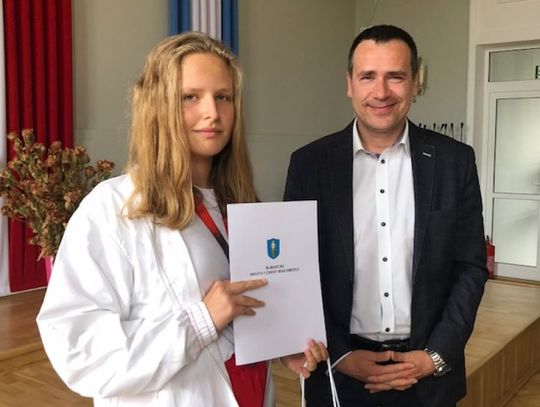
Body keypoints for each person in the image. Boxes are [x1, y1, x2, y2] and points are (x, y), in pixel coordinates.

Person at [37, 32, 327, 407]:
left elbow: (244, 311)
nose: (212, 113)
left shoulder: (239, 204)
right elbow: (78, 352)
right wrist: (201, 321)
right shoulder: (112, 209)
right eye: (190, 97)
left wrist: (278, 344)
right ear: (158, 106)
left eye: (223, 97)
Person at [284, 25, 487, 407]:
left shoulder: (455, 161)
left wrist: (435, 356)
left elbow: (470, 267)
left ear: (415, 83)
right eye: (368, 77)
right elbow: (298, 272)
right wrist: (340, 354)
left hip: (427, 377)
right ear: (349, 83)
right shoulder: (309, 165)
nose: (381, 92)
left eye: (395, 76)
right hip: (338, 374)